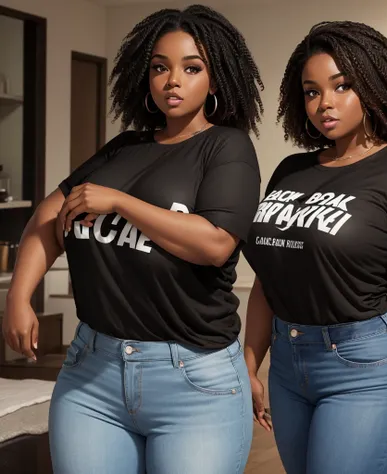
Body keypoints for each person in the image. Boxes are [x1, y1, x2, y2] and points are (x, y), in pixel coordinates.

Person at [2, 5, 263, 474]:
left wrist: (121, 203)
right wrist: (18, 297)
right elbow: (48, 213)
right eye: (160, 67)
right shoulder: (123, 148)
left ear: (216, 78)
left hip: (193, 381)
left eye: (191, 67)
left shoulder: (227, 148)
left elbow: (215, 243)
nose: (173, 81)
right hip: (92, 374)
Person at [243, 21, 387, 474]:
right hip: (288, 363)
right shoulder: (291, 170)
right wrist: (249, 362)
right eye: (312, 91)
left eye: (342, 86)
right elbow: (268, 279)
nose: (325, 103)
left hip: (365, 367)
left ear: (374, 86)